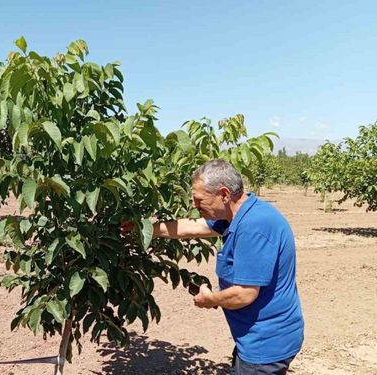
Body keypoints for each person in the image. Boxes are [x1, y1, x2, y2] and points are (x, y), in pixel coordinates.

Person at [121, 159, 304, 375]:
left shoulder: (253, 227)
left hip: (266, 343)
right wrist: (145, 229)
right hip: (260, 337)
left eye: (199, 199)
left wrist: (210, 300)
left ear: (224, 194)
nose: (194, 205)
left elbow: (245, 294)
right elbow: (193, 227)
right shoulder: (239, 213)